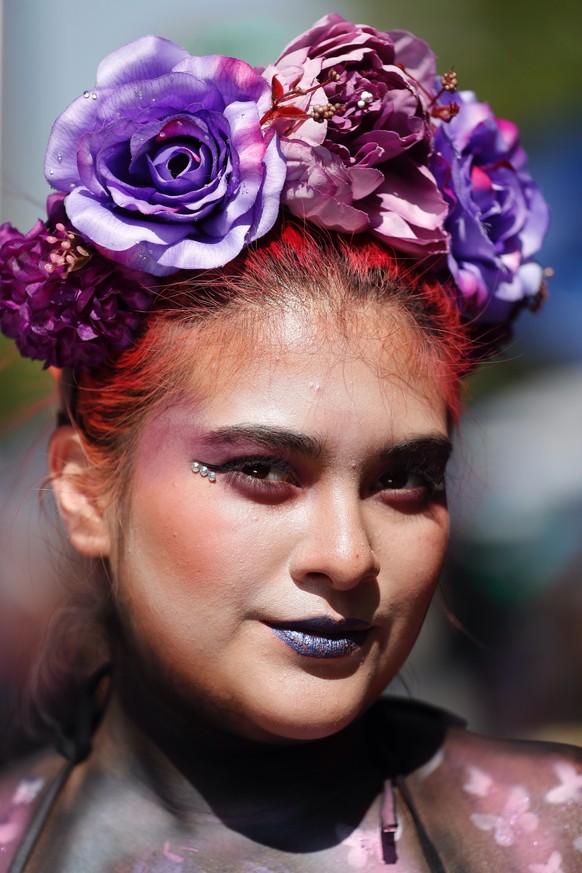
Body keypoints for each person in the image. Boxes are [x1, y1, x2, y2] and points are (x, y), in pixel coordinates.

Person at [0, 13, 579, 872]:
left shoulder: (557, 836)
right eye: (264, 470)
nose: (347, 558)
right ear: (85, 486)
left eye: (405, 480)